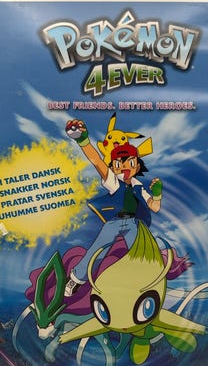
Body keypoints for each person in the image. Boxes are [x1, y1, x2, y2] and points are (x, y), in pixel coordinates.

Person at [64, 119, 163, 296]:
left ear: (137, 166)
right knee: (98, 250)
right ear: (113, 166)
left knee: (142, 252)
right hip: (114, 222)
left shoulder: (139, 186)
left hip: (134, 224)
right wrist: (83, 141)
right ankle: (77, 279)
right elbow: (97, 161)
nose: (124, 167)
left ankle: (145, 283)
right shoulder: (114, 182)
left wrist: (157, 195)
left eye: (129, 163)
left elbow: (154, 207)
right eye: (119, 164)